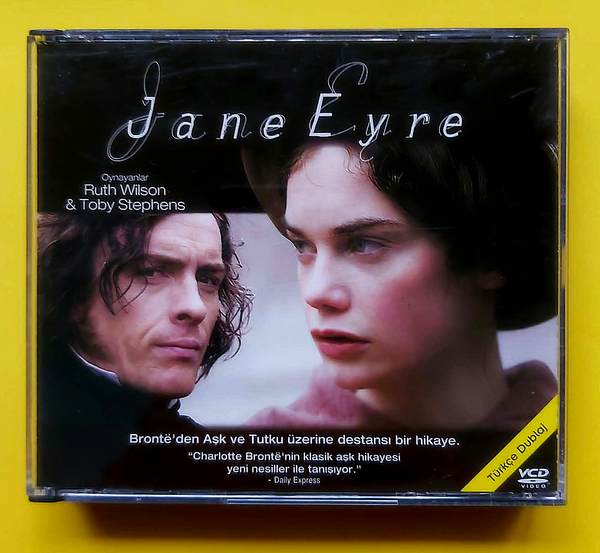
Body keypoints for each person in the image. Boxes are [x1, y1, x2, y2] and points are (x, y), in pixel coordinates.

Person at [244, 135, 558, 431]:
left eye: (365, 244)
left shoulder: (567, 434)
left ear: (489, 253)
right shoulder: (264, 457)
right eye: (302, 246)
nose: (317, 293)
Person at [36, 212, 252, 488]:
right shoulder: (27, 437)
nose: (195, 307)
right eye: (150, 272)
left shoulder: (209, 466)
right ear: (74, 291)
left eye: (207, 279)